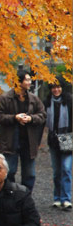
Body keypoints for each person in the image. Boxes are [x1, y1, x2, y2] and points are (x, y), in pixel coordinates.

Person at [0, 71, 46, 190]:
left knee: (30, 174)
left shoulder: (34, 99)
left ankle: (25, 198)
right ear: (19, 82)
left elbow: (42, 115)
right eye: (27, 80)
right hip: (10, 141)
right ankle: (10, 196)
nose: (29, 82)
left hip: (29, 142)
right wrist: (14, 118)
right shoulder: (5, 98)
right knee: (9, 172)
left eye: (29, 80)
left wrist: (31, 118)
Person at [45, 80, 72, 209]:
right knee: (56, 171)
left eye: (58, 87)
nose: (56, 90)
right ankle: (57, 197)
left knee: (66, 168)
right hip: (53, 138)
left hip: (66, 136)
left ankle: (66, 198)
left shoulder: (69, 101)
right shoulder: (47, 102)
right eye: (53, 87)